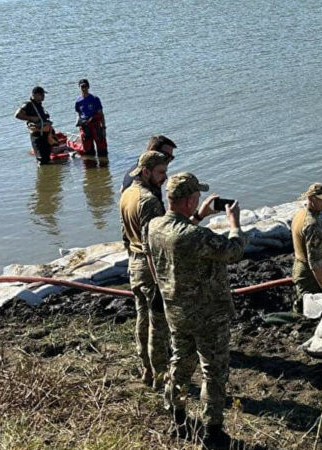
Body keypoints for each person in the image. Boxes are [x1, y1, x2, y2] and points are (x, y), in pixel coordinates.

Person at [147, 172, 246, 449]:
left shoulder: (154, 226)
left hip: (176, 312)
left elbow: (180, 238)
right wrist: (234, 223)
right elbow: (234, 251)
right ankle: (213, 432)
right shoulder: (196, 236)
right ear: (190, 200)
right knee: (213, 371)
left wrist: (199, 216)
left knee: (181, 362)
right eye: (197, 197)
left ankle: (177, 417)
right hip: (208, 315)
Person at [119, 151, 172, 390]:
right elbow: (154, 244)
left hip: (134, 263)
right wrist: (162, 280)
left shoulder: (127, 193)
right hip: (150, 267)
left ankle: (147, 371)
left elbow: (124, 235)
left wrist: (132, 258)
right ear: (146, 172)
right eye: (161, 172)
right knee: (158, 324)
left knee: (142, 318)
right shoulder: (149, 201)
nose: (165, 177)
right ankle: (160, 375)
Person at [290, 183, 322, 313]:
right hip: (308, 274)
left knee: (303, 303)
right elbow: (315, 262)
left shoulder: (300, 215)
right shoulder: (312, 225)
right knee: (310, 310)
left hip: (298, 266)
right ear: (312, 199)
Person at [15, 86, 55, 165]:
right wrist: (30, 118)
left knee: (47, 157)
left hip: (45, 134)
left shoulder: (39, 105)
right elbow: (17, 114)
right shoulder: (28, 104)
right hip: (37, 136)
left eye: (43, 94)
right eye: (41, 94)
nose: (43, 96)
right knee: (42, 159)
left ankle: (47, 176)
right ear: (35, 95)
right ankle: (43, 174)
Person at [74, 79, 107, 156]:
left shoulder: (95, 99)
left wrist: (104, 128)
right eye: (82, 87)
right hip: (85, 127)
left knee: (102, 150)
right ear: (79, 87)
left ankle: (104, 166)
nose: (84, 89)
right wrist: (78, 122)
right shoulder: (78, 101)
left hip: (96, 126)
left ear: (88, 87)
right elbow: (78, 113)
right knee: (88, 151)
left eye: (85, 86)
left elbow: (101, 114)